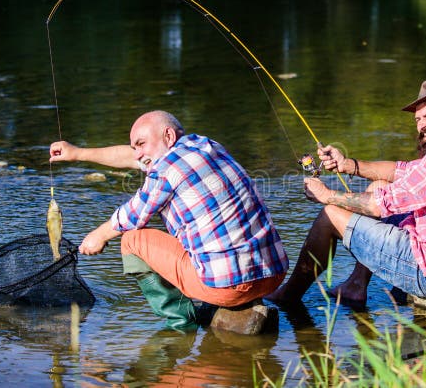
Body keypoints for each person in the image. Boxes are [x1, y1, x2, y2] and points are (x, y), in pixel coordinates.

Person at [266, 81, 426, 308]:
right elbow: (401, 170)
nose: (421, 126)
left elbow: (378, 206)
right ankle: (356, 285)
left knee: (330, 216)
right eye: (418, 120)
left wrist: (326, 195)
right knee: (379, 185)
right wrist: (348, 164)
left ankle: (288, 295)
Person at [49, 110, 288, 331]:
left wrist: (97, 236)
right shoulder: (205, 146)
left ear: (169, 135)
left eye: (141, 144)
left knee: (132, 239)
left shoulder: (166, 170)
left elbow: (132, 216)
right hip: (273, 276)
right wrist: (77, 153)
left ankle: (182, 323)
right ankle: (237, 307)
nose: (138, 153)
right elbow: (134, 157)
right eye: (135, 147)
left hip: (229, 286)